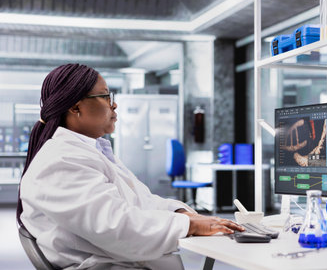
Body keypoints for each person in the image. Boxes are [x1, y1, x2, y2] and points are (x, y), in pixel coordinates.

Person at [17, 64, 244, 270]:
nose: (114, 104)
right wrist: (188, 225)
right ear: (76, 108)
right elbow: (115, 226)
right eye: (106, 96)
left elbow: (141, 201)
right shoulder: (62, 161)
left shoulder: (87, 152)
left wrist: (181, 213)